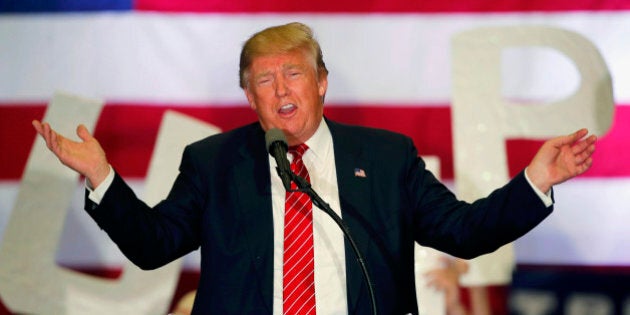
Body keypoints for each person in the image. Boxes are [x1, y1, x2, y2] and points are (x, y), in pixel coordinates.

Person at [32, 22, 596, 314]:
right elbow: (154, 244)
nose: (280, 89)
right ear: (249, 96)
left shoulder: (386, 157)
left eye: (293, 74)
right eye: (263, 79)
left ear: (321, 82)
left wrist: (536, 181)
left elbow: (465, 232)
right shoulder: (213, 162)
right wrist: (102, 178)